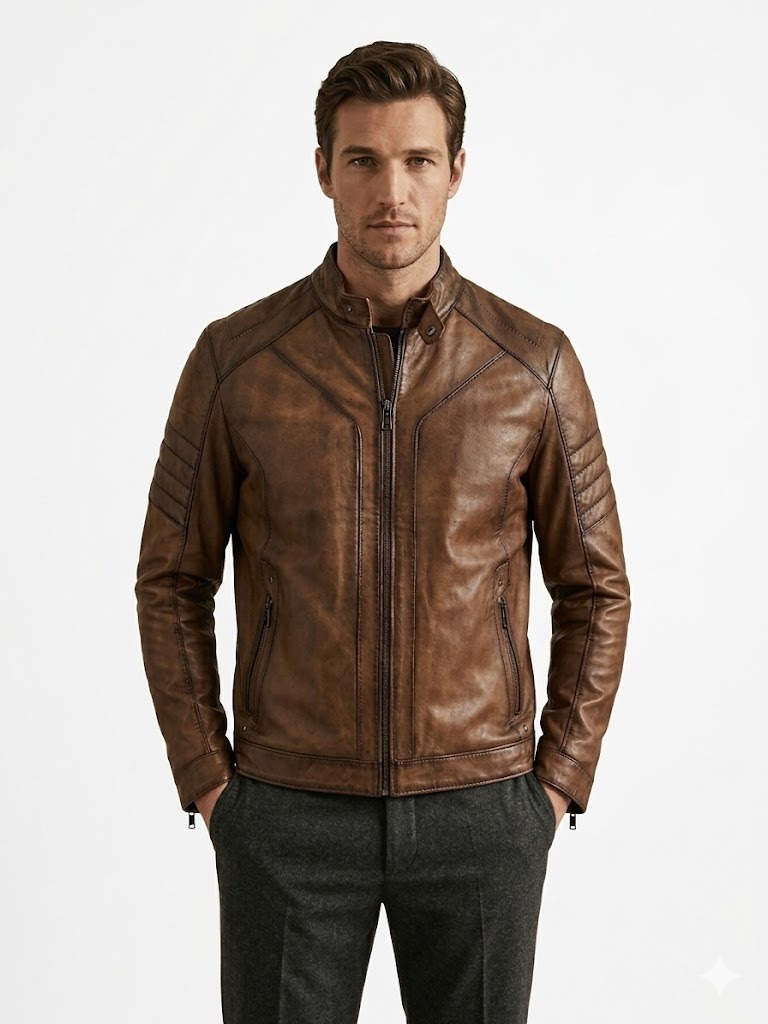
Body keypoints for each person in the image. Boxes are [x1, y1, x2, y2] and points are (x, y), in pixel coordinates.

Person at [135, 40, 631, 1024]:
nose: (391, 191)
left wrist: (555, 781)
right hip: (286, 809)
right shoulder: (238, 361)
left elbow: (597, 586)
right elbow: (170, 581)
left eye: (417, 160)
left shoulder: (532, 364)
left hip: (483, 808)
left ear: (457, 170)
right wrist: (209, 778)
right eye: (363, 159)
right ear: (324, 169)